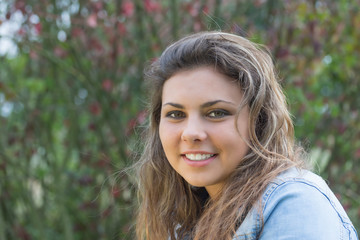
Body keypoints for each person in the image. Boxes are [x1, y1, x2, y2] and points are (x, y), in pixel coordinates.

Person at [133, 31, 358, 240]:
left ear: (259, 120)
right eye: (175, 114)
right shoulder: (186, 223)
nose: (191, 133)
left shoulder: (295, 204)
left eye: (216, 113)